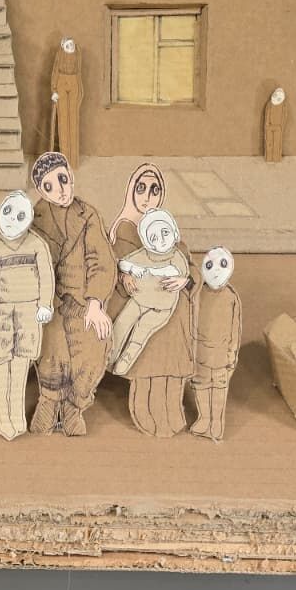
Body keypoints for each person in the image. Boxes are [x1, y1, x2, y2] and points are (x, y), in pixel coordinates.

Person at [29, 151, 117, 436]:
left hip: (83, 300)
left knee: (94, 345)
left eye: (63, 180)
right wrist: (42, 301)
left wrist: (95, 303)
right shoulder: (36, 217)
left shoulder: (88, 215)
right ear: (40, 190)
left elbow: (101, 261)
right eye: (49, 186)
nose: (60, 190)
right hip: (51, 300)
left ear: (71, 175)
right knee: (52, 346)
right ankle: (49, 401)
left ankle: (74, 405)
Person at [106, 163, 193, 436]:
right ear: (131, 191)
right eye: (141, 188)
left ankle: (166, 397)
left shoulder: (166, 229)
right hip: (132, 297)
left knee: (174, 320)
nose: (147, 196)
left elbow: (188, 265)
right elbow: (114, 263)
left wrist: (185, 281)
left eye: (154, 190)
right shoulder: (124, 229)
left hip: (163, 304)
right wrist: (124, 277)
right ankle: (115, 360)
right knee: (128, 323)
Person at [0, 191, 55, 441]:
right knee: (1, 364)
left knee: (21, 363)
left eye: (20, 216)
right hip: (1, 312)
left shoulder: (37, 245)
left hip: (28, 312)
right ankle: (3, 418)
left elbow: (46, 276)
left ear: (29, 219)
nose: (11, 219)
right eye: (8, 211)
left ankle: (16, 417)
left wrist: (45, 304)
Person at [110, 210, 188, 379]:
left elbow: (182, 274)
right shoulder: (143, 254)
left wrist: (182, 281)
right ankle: (109, 357)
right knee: (121, 324)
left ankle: (126, 361)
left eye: (165, 232)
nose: (161, 239)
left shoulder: (176, 256)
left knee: (141, 331)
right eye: (154, 237)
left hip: (161, 308)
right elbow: (123, 263)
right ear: (148, 242)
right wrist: (129, 272)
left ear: (174, 232)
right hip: (138, 299)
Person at [190, 246, 241, 442]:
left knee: (219, 385)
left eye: (222, 264)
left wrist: (232, 352)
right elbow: (191, 322)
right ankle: (204, 420)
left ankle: (217, 423)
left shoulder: (231, 297)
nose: (216, 270)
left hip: (221, 353)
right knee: (201, 384)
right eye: (210, 265)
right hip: (200, 352)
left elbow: (235, 328)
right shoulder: (197, 294)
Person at [50, 38, 82, 169]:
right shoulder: (60, 55)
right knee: (63, 121)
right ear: (63, 47)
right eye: (67, 45)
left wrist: (80, 91)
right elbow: (55, 71)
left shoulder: (77, 54)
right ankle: (65, 159)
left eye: (72, 45)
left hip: (74, 82)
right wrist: (54, 90)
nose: (70, 47)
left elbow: (79, 73)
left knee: (73, 120)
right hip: (61, 82)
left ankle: (73, 161)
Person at [264, 86, 287, 162]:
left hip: (278, 128)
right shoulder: (270, 104)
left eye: (279, 96)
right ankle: (269, 158)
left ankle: (276, 158)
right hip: (269, 127)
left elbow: (284, 117)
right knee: (269, 143)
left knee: (277, 143)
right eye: (276, 95)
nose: (277, 97)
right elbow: (267, 115)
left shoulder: (283, 106)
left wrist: (281, 127)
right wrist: (267, 125)